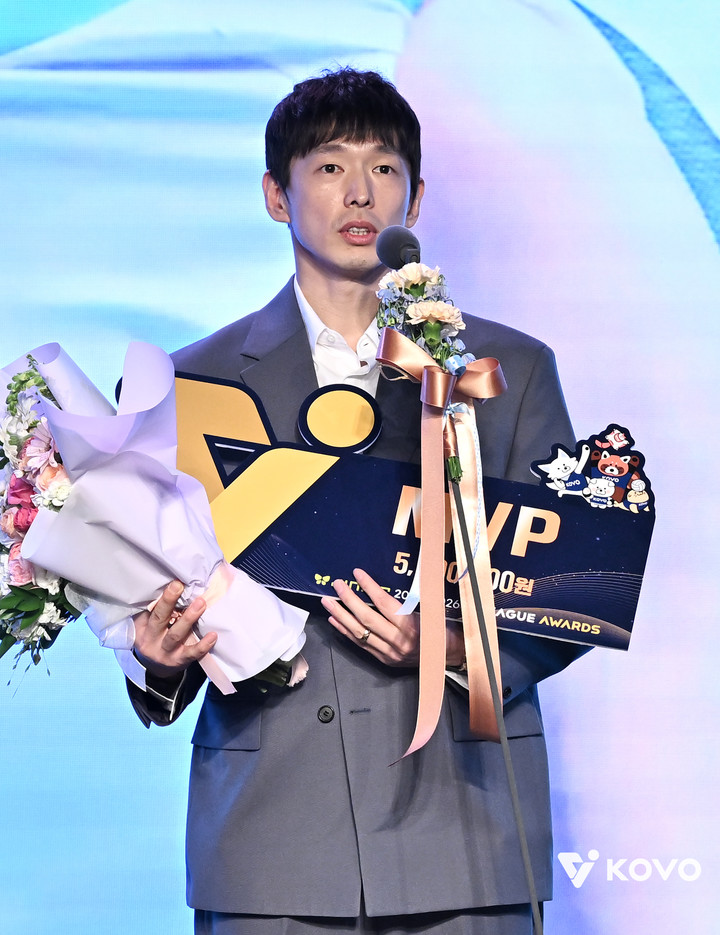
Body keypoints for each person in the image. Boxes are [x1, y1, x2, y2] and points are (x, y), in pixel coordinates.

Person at [127, 68, 586, 934]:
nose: (360, 192)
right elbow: (154, 590)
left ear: (417, 195)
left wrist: (448, 647)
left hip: (463, 825)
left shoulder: (502, 370)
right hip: (272, 837)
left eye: (383, 167)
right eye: (331, 166)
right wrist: (155, 656)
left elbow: (568, 589)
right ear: (277, 194)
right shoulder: (189, 383)